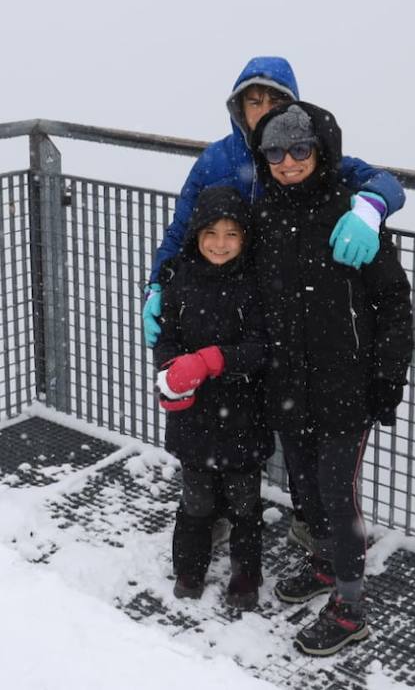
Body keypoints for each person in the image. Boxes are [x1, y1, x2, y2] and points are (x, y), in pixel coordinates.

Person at [248, 100, 414, 656]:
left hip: (345, 385)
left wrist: (387, 379)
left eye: (300, 149)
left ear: (320, 151)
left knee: (338, 496)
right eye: (275, 150)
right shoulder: (265, 210)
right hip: (289, 380)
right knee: (304, 484)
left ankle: (350, 608)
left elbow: (392, 302)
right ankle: (323, 567)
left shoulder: (350, 210)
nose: (288, 161)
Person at [142, 55, 406, 349]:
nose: (264, 111)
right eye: (254, 102)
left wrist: (370, 209)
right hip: (226, 307)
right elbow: (180, 231)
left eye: (275, 101)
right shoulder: (215, 161)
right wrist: (156, 286)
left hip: (283, 312)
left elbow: (385, 182)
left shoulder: (306, 156)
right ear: (239, 108)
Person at [152, 186, 271, 610]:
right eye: (211, 233)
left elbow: (261, 348)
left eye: (231, 234)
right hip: (194, 420)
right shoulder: (179, 280)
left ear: (244, 238)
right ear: (196, 235)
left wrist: (213, 360)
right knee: (196, 500)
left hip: (244, 416)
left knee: (244, 504)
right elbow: (165, 339)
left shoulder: (254, 284)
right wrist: (170, 375)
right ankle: (189, 569)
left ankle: (244, 578)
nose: (220, 244)